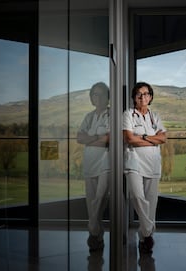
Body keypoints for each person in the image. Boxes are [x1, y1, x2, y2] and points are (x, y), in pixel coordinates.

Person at [123, 82, 167, 254]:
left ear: (151, 97)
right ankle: (149, 232)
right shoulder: (128, 114)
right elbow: (129, 139)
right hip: (133, 162)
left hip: (153, 163)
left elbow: (163, 138)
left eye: (146, 94)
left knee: (151, 204)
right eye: (139, 94)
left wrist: (141, 136)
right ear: (134, 97)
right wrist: (150, 138)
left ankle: (144, 236)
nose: (143, 97)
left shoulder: (154, 116)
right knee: (137, 196)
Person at [77, 82, 110, 252]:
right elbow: (79, 138)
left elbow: (108, 139)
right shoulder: (89, 116)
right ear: (91, 98)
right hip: (89, 163)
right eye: (95, 95)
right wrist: (98, 137)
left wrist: (91, 138)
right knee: (91, 201)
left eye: (102, 94)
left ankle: (93, 230)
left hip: (105, 164)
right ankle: (97, 234)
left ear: (107, 97)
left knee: (100, 199)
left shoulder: (111, 115)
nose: (98, 98)